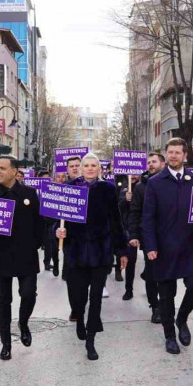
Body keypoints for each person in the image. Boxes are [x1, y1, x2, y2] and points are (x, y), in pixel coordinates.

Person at [142, 138, 193, 355]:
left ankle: (182, 319)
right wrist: (150, 246)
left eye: (177, 152)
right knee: (167, 295)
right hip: (163, 249)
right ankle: (170, 336)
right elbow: (148, 218)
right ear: (166, 155)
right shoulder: (155, 183)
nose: (173, 156)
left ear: (184, 155)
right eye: (170, 152)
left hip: (190, 247)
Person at [56, 153, 127, 361]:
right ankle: (79, 318)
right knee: (78, 296)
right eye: (85, 165)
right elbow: (56, 218)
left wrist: (121, 250)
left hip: (100, 251)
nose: (89, 168)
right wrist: (57, 231)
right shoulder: (69, 188)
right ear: (80, 168)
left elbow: (116, 221)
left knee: (96, 297)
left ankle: (91, 340)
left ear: (99, 169)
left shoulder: (108, 189)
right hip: (76, 251)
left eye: (93, 165)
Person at [0, 156, 44, 361]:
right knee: (3, 300)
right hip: (0, 257)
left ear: (14, 171)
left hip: (26, 256)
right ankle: (6, 343)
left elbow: (39, 223)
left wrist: (36, 243)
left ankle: (23, 323)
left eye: (3, 168)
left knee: (28, 294)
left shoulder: (29, 194)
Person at [127, 152, 165, 323]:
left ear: (162, 164)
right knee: (151, 273)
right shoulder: (141, 187)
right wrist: (134, 234)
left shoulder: (171, 184)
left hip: (169, 237)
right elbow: (134, 212)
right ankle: (155, 306)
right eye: (148, 162)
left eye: (154, 162)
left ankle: (166, 304)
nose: (150, 164)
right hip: (149, 237)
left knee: (165, 274)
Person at [62, 156, 83, 319]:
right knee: (72, 277)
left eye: (78, 165)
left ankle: (82, 302)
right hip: (71, 242)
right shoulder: (63, 189)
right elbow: (53, 219)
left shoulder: (93, 186)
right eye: (72, 166)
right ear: (67, 169)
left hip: (90, 241)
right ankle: (75, 308)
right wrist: (57, 231)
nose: (75, 168)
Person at [117, 174, 140, 301]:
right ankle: (129, 289)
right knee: (131, 260)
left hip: (144, 227)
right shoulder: (125, 187)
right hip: (129, 228)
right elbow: (119, 208)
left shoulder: (145, 185)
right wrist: (125, 199)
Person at [42, 171, 61, 276]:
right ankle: (55, 264)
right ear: (54, 179)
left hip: (65, 223)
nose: (61, 179)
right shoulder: (49, 192)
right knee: (54, 247)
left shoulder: (70, 190)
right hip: (52, 224)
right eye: (58, 177)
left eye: (63, 177)